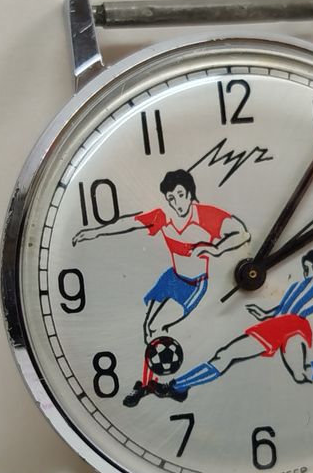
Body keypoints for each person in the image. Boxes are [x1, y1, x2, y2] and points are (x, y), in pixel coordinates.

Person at [159, 211, 313, 401]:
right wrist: (263, 313)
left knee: (227, 355)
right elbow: (280, 311)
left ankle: (178, 386)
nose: (305, 272)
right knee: (300, 373)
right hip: (280, 326)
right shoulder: (297, 287)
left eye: (308, 268)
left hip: (293, 325)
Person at [72, 169, 249, 406]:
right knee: (148, 329)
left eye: (180, 195)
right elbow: (129, 223)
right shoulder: (162, 216)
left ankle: (159, 386)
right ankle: (149, 384)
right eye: (171, 198)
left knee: (157, 328)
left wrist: (216, 249)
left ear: (190, 193)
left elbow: (241, 232)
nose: (177, 202)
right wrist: (94, 233)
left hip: (192, 284)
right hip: (171, 278)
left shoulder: (206, 215)